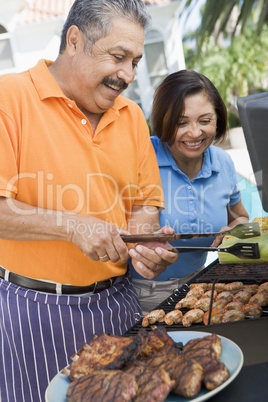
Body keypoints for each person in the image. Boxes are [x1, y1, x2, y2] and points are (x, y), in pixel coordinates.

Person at [0, 1, 178, 400]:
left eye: (135, 61)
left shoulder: (131, 116)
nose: (129, 75)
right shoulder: (8, 98)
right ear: (75, 40)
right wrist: (71, 224)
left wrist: (142, 244)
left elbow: (145, 205)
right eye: (118, 57)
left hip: (120, 305)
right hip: (34, 315)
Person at [131, 70, 249, 315]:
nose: (195, 133)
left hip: (201, 286)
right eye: (181, 123)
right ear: (164, 120)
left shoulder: (222, 162)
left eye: (205, 121)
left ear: (218, 118)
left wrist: (234, 231)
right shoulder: (142, 158)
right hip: (141, 295)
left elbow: (241, 217)